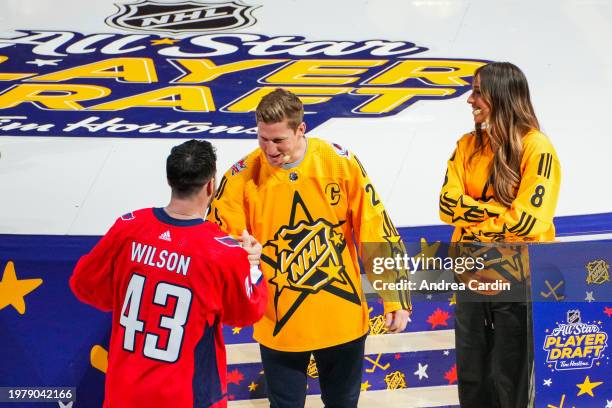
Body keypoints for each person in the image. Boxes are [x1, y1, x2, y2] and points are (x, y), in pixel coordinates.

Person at [208, 88, 411, 407]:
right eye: (262, 138)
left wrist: (394, 296)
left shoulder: (338, 162)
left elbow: (374, 226)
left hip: (341, 323)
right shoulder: (241, 176)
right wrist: (238, 251)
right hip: (279, 325)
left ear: (301, 129)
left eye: (278, 140)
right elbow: (216, 238)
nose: (269, 149)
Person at [70, 140, 267, 408]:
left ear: (169, 179)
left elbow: (84, 285)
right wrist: (253, 266)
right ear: (211, 184)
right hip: (187, 398)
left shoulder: (129, 226)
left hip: (124, 394)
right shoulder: (223, 250)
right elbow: (246, 312)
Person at [439, 62, 561, 407]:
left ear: (501, 95)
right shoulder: (466, 144)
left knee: (514, 386)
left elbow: (528, 222)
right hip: (471, 281)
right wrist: (497, 213)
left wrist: (473, 219)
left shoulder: (537, 147)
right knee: (474, 382)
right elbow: (447, 206)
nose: (470, 99)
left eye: (478, 91)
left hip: (518, 285)